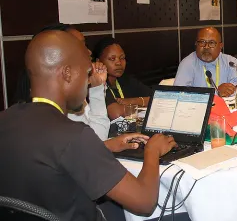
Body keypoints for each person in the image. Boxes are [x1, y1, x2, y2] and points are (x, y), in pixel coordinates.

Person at [0, 31, 177, 220]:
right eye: (86, 73)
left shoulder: (6, 119)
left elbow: (56, 160)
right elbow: (145, 202)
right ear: (67, 74)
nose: (88, 83)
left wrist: (105, 147)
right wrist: (152, 151)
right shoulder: (73, 135)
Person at [14, 23, 110, 140]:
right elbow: (95, 139)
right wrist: (96, 90)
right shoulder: (60, 103)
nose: (89, 52)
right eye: (80, 46)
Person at [92, 37, 152, 120]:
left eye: (122, 58)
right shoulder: (97, 83)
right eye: (112, 59)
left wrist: (131, 101)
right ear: (98, 61)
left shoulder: (124, 79)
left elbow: (156, 99)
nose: (118, 63)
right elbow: (117, 113)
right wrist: (142, 102)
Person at [174, 27, 237, 97]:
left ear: (220, 46)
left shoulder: (231, 62)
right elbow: (179, 95)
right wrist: (216, 93)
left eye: (212, 43)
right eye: (202, 42)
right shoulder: (187, 64)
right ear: (196, 44)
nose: (206, 47)